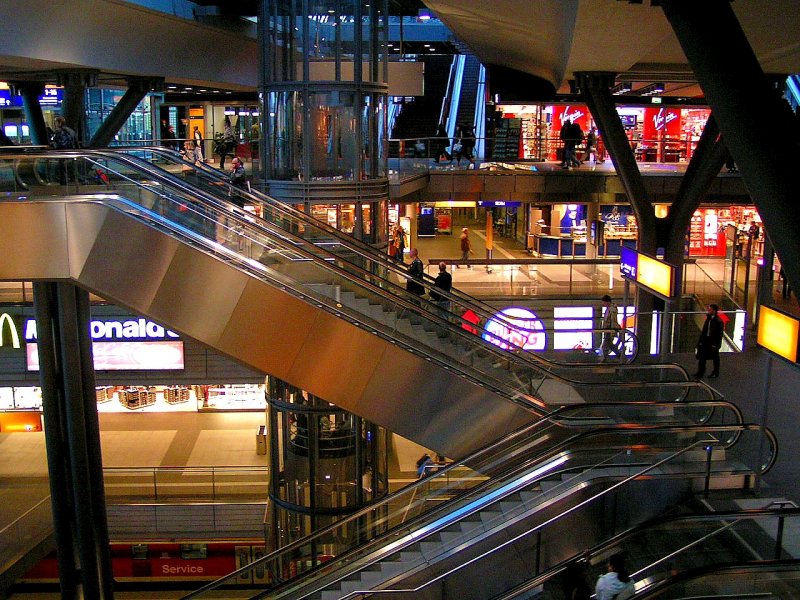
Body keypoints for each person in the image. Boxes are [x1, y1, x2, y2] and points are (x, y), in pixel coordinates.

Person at [694, 303, 724, 379]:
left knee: (715, 357)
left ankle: (715, 372)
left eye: (710, 309)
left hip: (712, 341)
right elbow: (704, 330)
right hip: (706, 340)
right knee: (702, 356)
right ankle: (701, 371)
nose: (708, 311)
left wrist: (717, 344)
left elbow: (719, 334)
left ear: (714, 311)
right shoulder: (709, 319)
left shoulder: (718, 321)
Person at [429, 261, 453, 336]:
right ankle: (446, 331)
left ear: (439, 268)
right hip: (447, 298)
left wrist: (431, 294)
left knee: (441, 316)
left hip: (440, 299)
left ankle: (443, 333)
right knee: (446, 315)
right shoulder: (449, 276)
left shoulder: (439, 279)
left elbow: (436, 290)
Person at [600, 294, 624, 361]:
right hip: (608, 330)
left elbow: (612, 320)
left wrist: (612, 330)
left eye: (604, 302)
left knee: (605, 345)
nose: (603, 304)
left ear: (607, 302)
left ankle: (606, 358)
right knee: (609, 345)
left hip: (609, 330)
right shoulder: (610, 309)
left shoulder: (611, 309)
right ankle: (617, 356)